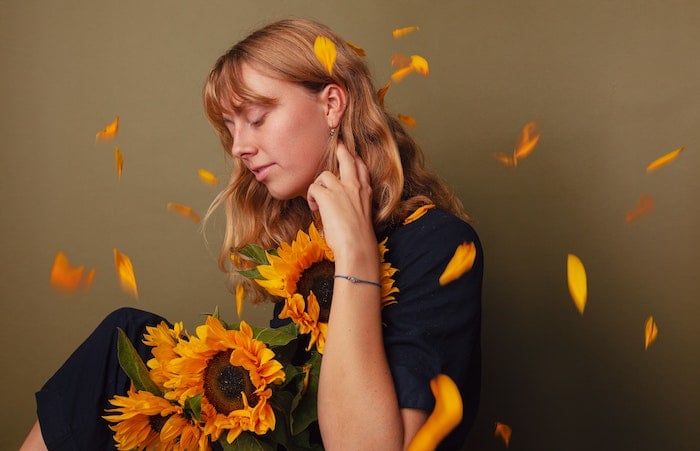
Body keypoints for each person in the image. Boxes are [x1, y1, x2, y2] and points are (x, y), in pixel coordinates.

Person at [21, 18, 482, 450]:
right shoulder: (302, 247)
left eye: (257, 118)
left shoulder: (440, 244)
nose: (240, 147)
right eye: (230, 127)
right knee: (124, 342)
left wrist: (356, 255)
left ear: (331, 104)